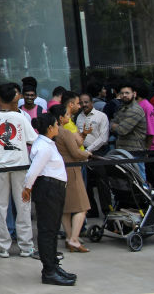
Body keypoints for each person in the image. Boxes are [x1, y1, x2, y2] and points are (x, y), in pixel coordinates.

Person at [0, 83, 37, 258]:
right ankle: (26, 245)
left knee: (0, 207)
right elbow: (32, 140)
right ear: (13, 98)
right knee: (23, 205)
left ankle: (3, 245)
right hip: (20, 166)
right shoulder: (21, 118)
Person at [22, 114, 77, 287]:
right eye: (56, 125)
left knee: (52, 230)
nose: (58, 127)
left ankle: (53, 265)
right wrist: (27, 188)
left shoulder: (48, 144)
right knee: (47, 230)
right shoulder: (44, 147)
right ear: (50, 128)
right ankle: (49, 271)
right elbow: (33, 171)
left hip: (54, 189)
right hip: (48, 189)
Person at [48, 106, 91, 253]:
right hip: (72, 171)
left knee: (65, 208)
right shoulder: (64, 132)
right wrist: (87, 154)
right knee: (82, 207)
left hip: (59, 171)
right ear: (60, 118)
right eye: (66, 114)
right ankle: (74, 239)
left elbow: (72, 145)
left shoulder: (52, 133)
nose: (69, 117)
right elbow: (75, 152)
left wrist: (82, 135)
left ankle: (68, 237)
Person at [111, 84, 147, 153]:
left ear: (134, 94)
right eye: (122, 93)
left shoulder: (135, 110)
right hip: (123, 151)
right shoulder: (121, 108)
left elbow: (122, 130)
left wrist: (115, 125)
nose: (124, 95)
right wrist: (115, 125)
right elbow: (111, 123)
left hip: (134, 152)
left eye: (127, 93)